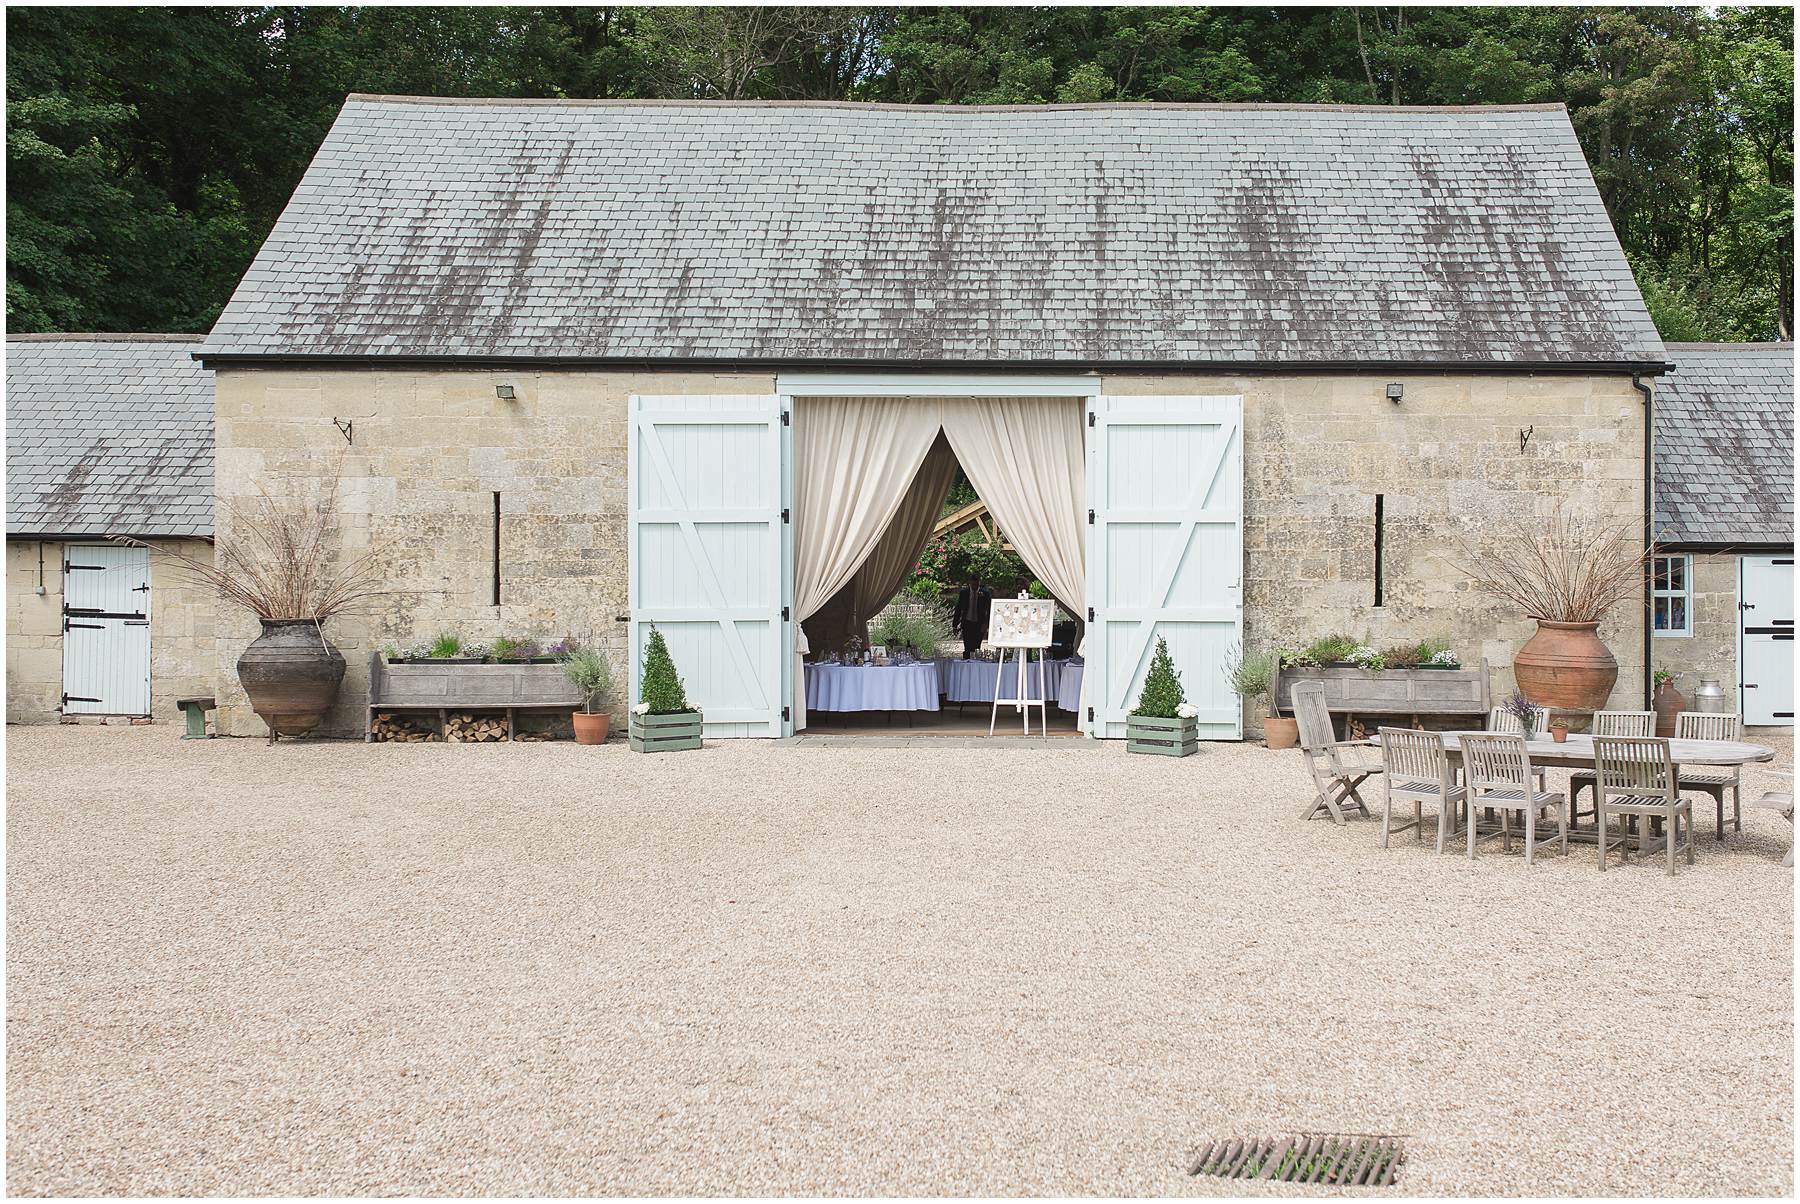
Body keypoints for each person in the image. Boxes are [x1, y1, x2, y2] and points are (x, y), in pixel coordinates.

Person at [955, 579, 992, 658]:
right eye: (973, 584)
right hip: (967, 622)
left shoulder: (985, 593)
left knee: (976, 646)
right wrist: (955, 624)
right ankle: (966, 661)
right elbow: (958, 608)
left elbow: (989, 609)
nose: (974, 585)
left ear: (979, 583)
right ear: (970, 583)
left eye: (976, 584)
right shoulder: (964, 593)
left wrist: (987, 623)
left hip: (979, 623)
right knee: (967, 646)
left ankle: (975, 661)